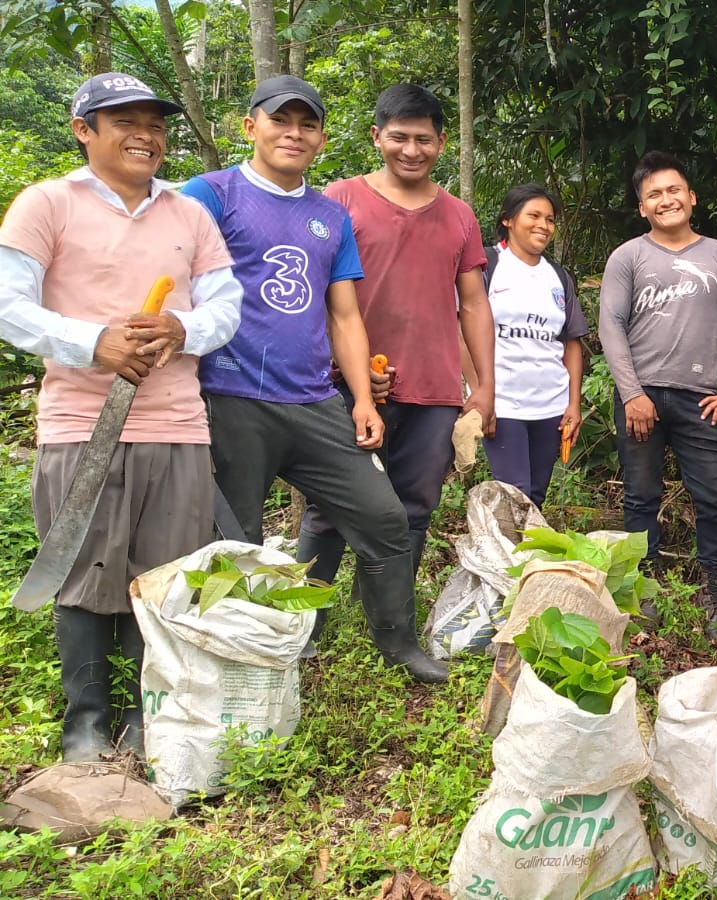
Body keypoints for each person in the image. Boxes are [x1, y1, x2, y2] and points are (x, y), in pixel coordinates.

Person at [0, 73, 243, 759]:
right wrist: (93, 342)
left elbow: (226, 307)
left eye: (155, 123)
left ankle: (146, 718)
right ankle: (85, 721)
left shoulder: (188, 213)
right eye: (125, 121)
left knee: (162, 576)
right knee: (79, 570)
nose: (146, 135)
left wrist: (181, 330)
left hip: (177, 425)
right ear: (84, 130)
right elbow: (8, 305)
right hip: (82, 422)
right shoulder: (47, 204)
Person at [180, 76, 446, 683]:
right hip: (230, 396)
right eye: (280, 121)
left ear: (322, 139)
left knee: (384, 518)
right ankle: (230, 658)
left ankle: (397, 642)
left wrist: (360, 400)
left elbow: (345, 315)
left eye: (307, 125)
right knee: (233, 536)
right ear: (251, 127)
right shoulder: (210, 194)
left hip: (312, 398)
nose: (293, 134)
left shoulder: (330, 215)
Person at [298, 84, 494, 589]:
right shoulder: (339, 201)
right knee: (330, 507)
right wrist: (347, 369)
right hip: (345, 386)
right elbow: (313, 296)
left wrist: (486, 387)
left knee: (413, 508)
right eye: (399, 137)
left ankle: (393, 629)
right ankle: (302, 630)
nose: (412, 150)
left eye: (424, 139)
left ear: (442, 142)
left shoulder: (459, 214)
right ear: (376, 137)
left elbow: (472, 302)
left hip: (434, 390)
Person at [597, 151, 717, 630]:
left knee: (712, 497)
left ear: (691, 196)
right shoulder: (628, 257)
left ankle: (714, 597)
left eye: (674, 190)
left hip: (700, 398)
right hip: (640, 396)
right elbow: (611, 326)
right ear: (642, 207)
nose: (666, 200)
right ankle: (641, 591)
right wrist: (632, 394)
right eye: (654, 195)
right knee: (640, 496)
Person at [472, 183, 587, 507]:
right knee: (515, 492)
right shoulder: (487, 266)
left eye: (550, 219)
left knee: (535, 495)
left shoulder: (558, 277)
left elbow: (571, 342)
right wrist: (478, 393)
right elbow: (461, 329)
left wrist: (573, 405)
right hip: (504, 401)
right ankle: (507, 558)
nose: (543, 225)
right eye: (533, 215)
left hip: (551, 405)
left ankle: (524, 557)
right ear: (508, 219)